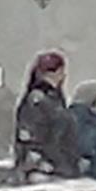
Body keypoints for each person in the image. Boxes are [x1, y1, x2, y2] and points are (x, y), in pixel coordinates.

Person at [14, 51, 82, 182]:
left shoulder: (54, 100)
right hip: (47, 172)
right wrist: (39, 163)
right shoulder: (38, 101)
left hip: (59, 169)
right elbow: (28, 136)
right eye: (62, 71)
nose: (64, 76)